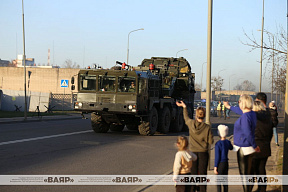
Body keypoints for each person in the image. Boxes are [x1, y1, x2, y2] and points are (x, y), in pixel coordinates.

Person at [223, 94, 260, 192]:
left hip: (243, 147)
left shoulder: (245, 117)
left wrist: (255, 145)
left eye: (239, 101)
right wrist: (229, 107)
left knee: (244, 175)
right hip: (249, 148)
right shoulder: (251, 114)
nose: (238, 103)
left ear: (243, 103)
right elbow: (240, 111)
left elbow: (247, 132)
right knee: (250, 174)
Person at [176, 101, 214, 192]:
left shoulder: (191, 124)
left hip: (192, 152)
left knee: (192, 174)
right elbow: (210, 141)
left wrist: (184, 107)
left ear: (196, 115)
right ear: (204, 116)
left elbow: (186, 118)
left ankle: (192, 190)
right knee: (202, 175)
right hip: (203, 152)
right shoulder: (207, 127)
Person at [251, 100, 273, 192]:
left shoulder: (254, 118)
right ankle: (262, 188)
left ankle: (256, 188)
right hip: (265, 146)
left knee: (253, 169)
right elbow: (271, 133)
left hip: (256, 146)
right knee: (261, 168)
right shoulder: (268, 118)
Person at [214, 124, 233, 192]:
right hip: (226, 163)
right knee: (225, 181)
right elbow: (231, 148)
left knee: (219, 182)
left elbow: (217, 156)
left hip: (220, 164)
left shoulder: (218, 144)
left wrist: (215, 166)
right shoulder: (227, 142)